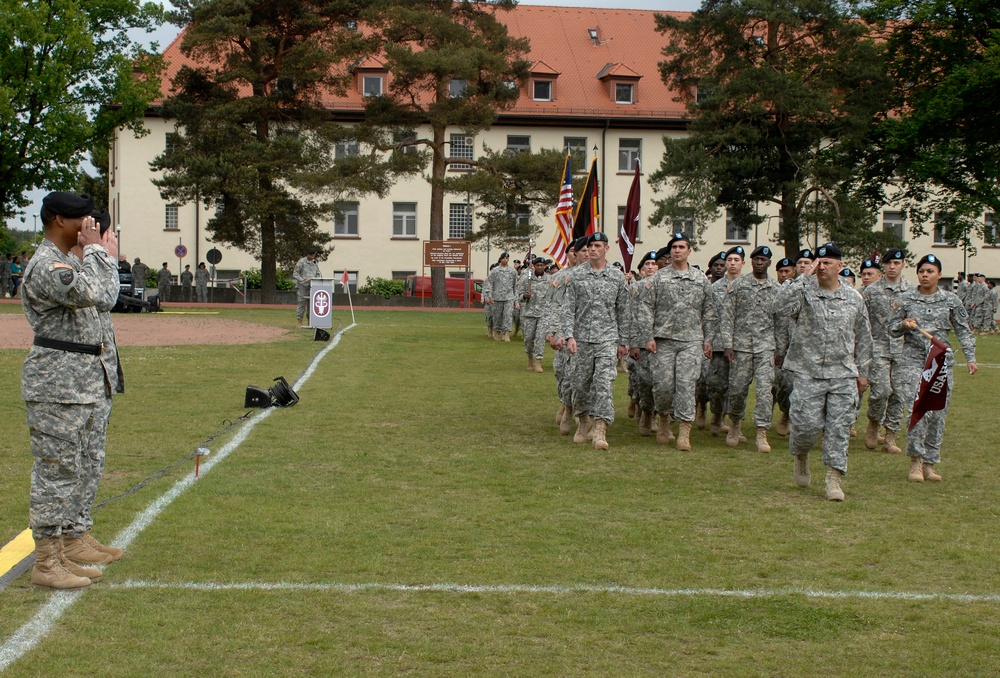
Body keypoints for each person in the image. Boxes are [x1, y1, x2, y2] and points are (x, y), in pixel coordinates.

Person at [21, 192, 121, 589]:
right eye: (83, 219)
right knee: (56, 472)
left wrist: (92, 255)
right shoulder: (48, 267)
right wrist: (99, 252)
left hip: (82, 378)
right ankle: (46, 562)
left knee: (81, 465)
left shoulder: (68, 263)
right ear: (60, 220)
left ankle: (69, 544)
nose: (90, 226)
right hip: (58, 384)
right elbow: (103, 294)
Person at [775, 243, 872, 501]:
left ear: (840, 266)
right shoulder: (804, 292)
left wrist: (863, 372)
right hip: (808, 372)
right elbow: (779, 306)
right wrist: (802, 278)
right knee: (805, 428)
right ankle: (801, 455)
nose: (821, 266)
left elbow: (863, 337)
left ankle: (833, 478)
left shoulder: (853, 298)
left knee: (838, 429)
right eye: (818, 262)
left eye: (827, 262)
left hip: (842, 374)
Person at [892, 254, 976, 482]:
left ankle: (930, 463)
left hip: (940, 364)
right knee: (917, 410)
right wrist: (903, 324)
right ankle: (915, 462)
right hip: (913, 362)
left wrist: (971, 358)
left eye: (930, 271)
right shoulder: (906, 299)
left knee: (937, 413)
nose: (925, 275)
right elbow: (891, 327)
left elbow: (963, 330)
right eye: (922, 271)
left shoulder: (951, 301)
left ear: (939, 275)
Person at [636, 232, 715, 450]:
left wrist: (708, 339)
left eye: (682, 247)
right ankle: (663, 419)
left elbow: (709, 312)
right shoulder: (658, 278)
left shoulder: (700, 279)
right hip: (663, 341)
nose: (677, 250)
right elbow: (645, 308)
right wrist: (647, 337)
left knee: (686, 385)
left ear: (689, 251)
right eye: (674, 247)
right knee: (662, 386)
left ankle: (684, 432)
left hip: (691, 341)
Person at [563, 232, 628, 450]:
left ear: (606, 249)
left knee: (604, 384)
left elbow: (623, 311)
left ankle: (600, 428)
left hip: (607, 339)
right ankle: (583, 421)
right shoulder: (576, 275)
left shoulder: (617, 277)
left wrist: (623, 341)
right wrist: (569, 335)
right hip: (581, 339)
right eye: (590, 246)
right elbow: (568, 308)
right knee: (580, 385)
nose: (592, 249)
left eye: (597, 246)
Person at [720, 245, 779, 452]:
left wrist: (779, 350)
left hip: (765, 347)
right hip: (741, 346)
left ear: (769, 262)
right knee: (737, 390)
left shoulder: (776, 288)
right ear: (751, 262)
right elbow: (727, 316)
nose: (760, 262)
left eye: (764, 259)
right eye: (756, 259)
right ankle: (735, 424)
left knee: (764, 391)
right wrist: (727, 344)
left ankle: (762, 432)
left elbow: (780, 322)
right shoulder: (738, 285)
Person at [861, 247, 913, 453]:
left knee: (899, 394)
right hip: (878, 347)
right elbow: (862, 322)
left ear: (903, 265)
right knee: (881, 391)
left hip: (903, 350)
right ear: (884, 265)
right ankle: (873, 423)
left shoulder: (911, 291)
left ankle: (890, 436)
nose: (892, 267)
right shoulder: (871, 291)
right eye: (889, 263)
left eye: (897, 263)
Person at [543, 240, 585, 435]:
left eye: (582, 251)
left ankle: (586, 416)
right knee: (563, 374)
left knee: (587, 377)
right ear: (568, 254)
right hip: (563, 334)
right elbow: (551, 306)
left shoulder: (594, 277)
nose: (578, 255)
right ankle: (567, 405)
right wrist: (551, 333)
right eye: (573, 251)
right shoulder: (559, 278)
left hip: (587, 333)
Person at [706, 246, 745, 437]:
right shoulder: (714, 288)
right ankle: (717, 417)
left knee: (739, 386)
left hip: (743, 345)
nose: (731, 264)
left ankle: (735, 424)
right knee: (717, 385)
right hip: (720, 344)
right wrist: (708, 341)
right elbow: (709, 316)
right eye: (729, 260)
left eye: (736, 260)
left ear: (742, 263)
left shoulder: (748, 286)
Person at [772, 257, 797, 436]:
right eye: (781, 272)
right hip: (774, 347)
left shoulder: (799, 292)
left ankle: (788, 416)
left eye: (787, 271)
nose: (784, 275)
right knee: (777, 385)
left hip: (796, 349)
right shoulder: (774, 292)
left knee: (792, 385)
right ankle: (782, 413)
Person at [518, 256, 549, 372]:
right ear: (534, 266)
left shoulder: (549, 280)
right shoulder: (527, 279)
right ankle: (530, 358)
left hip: (543, 314)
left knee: (540, 338)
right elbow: (519, 296)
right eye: (538, 265)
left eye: (542, 265)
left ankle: (538, 361)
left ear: (545, 266)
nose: (540, 267)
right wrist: (524, 296)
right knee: (528, 338)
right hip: (529, 313)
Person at [487, 252, 518, 341]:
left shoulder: (513, 271)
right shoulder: (495, 271)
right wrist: (489, 296)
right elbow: (490, 284)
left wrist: (516, 300)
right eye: (504, 258)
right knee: (497, 316)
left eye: (507, 258)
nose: (505, 260)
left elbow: (516, 286)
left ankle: (507, 333)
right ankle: (497, 332)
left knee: (508, 315)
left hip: (509, 297)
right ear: (500, 259)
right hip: (497, 297)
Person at [292, 248, 322, 327]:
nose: (313, 257)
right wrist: (302, 280)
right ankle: (299, 322)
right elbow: (295, 274)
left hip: (312, 286)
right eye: (311, 255)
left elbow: (318, 273)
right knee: (302, 304)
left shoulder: (315, 262)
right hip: (302, 286)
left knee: (312, 305)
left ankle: (310, 322)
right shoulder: (301, 262)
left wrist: (318, 279)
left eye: (314, 255)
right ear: (308, 254)